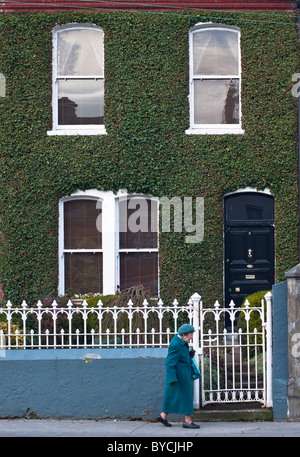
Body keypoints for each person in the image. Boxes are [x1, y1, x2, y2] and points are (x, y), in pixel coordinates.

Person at [156, 323, 200, 429]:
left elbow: (180, 357)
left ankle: (163, 416)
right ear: (184, 335)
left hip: (182, 374)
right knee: (186, 397)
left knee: (172, 397)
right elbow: (169, 362)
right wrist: (172, 378)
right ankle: (188, 421)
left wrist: (189, 355)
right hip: (179, 377)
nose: (192, 337)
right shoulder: (176, 344)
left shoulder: (181, 342)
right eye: (190, 334)